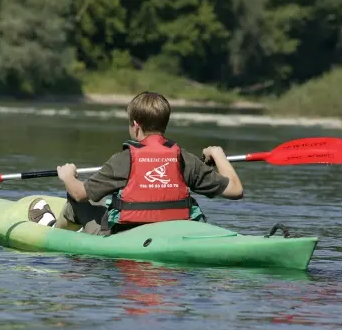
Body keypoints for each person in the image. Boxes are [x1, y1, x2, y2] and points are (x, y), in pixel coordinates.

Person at [28, 91, 244, 235]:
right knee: (105, 204)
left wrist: (68, 176)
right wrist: (218, 154)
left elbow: (79, 193)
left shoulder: (124, 159)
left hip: (126, 237)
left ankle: (53, 229)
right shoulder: (184, 159)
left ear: (135, 126)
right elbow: (235, 190)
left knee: (79, 204)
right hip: (174, 233)